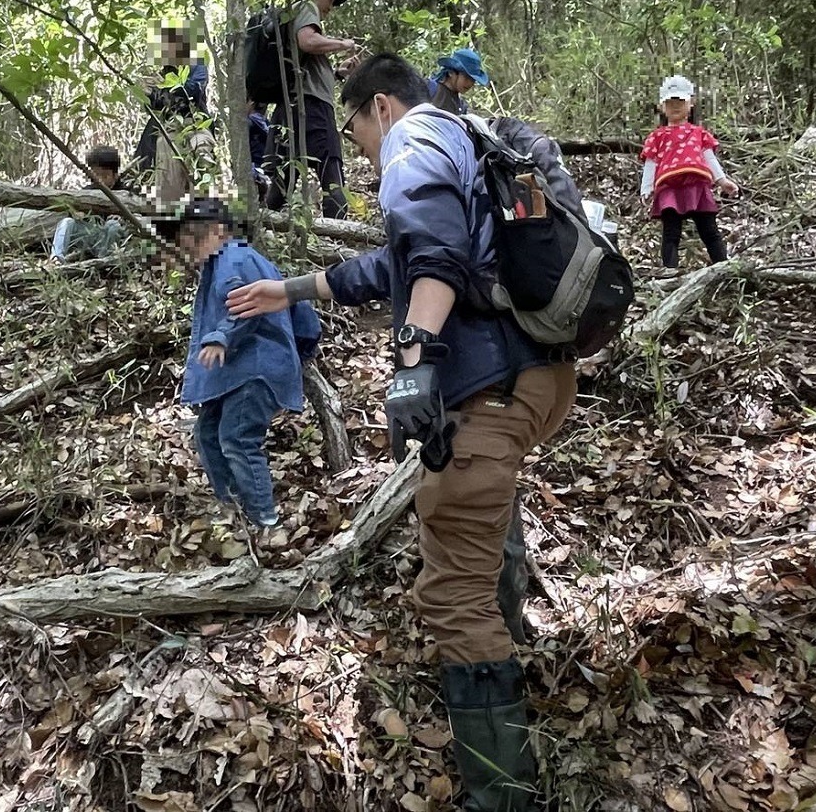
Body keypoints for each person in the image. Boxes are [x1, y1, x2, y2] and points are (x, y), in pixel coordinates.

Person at [227, 53, 577, 811]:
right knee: (482, 514)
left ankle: (503, 794)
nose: (360, 151)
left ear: (379, 107)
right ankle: (502, 641)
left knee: (452, 592)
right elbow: (398, 261)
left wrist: (414, 361)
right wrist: (288, 289)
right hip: (540, 378)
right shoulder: (469, 143)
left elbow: (435, 257)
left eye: (355, 135)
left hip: (484, 386)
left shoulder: (414, 140)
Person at [158, 197, 320, 532]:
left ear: (218, 231)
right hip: (240, 370)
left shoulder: (234, 259)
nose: (190, 248)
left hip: (253, 367)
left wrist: (221, 337)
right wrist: (300, 351)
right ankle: (234, 509)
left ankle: (265, 520)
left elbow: (245, 305)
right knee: (207, 433)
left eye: (194, 240)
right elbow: (303, 316)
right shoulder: (234, 262)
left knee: (236, 437)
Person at [263, 0, 359, 219]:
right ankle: (338, 236)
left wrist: (337, 73)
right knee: (331, 171)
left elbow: (303, 62)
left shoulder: (293, 13)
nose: (331, 7)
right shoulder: (307, 6)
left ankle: (264, 226)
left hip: (292, 105)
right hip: (312, 107)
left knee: (284, 178)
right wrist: (343, 43)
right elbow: (307, 42)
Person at [641, 75, 739, 268]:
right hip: (669, 187)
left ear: (691, 103)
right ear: (662, 106)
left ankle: (724, 268)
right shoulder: (657, 136)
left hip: (697, 185)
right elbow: (651, 162)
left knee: (709, 231)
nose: (675, 106)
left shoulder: (698, 133)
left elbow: (708, 157)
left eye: (680, 101)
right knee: (671, 234)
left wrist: (722, 181)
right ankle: (670, 271)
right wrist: (646, 188)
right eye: (670, 102)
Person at [133, 25, 215, 203]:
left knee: (201, 149)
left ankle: (203, 198)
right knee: (156, 149)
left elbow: (195, 90)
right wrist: (148, 93)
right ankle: (165, 199)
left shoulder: (196, 66)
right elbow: (155, 107)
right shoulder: (165, 72)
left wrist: (165, 86)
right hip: (168, 125)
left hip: (194, 121)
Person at [51, 146, 128, 263]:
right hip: (91, 237)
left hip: (112, 242)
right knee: (67, 222)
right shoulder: (87, 192)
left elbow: (134, 217)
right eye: (96, 175)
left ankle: (104, 261)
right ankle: (56, 258)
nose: (100, 180)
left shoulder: (125, 193)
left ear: (115, 175)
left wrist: (121, 218)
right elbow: (73, 211)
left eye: (105, 176)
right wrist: (77, 214)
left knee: (113, 225)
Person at [426, 48, 490, 115]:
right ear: (451, 73)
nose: (470, 83)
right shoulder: (429, 89)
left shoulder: (462, 107)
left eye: (473, 80)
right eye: (466, 77)